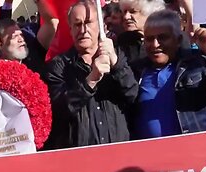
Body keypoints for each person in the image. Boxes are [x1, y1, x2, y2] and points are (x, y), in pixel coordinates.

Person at [43, 0, 138, 149]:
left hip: (119, 153)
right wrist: (90, 80)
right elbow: (59, 110)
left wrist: (117, 65)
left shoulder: (118, 56)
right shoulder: (59, 66)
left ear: (102, 26)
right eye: (77, 24)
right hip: (80, 160)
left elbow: (133, 95)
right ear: (70, 30)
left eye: (88, 23)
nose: (83, 30)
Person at [131, 10, 206, 139]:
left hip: (193, 153)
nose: (155, 44)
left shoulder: (197, 66)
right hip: (147, 155)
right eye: (149, 39)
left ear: (178, 39)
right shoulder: (135, 72)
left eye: (163, 37)